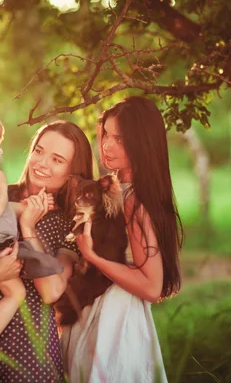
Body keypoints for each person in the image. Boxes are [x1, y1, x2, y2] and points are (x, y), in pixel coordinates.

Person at [0, 120, 94, 383]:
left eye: (57, 160)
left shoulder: (71, 223)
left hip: (31, 359)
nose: (42, 163)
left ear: (73, 173)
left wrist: (27, 226)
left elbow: (51, 291)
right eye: (39, 150)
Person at [60, 96, 184, 383]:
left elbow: (152, 286)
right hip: (102, 305)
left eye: (120, 138)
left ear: (142, 143)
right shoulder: (120, 188)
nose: (106, 144)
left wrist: (92, 257)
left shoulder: (133, 201)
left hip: (114, 317)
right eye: (105, 134)